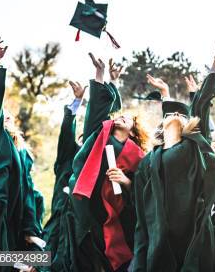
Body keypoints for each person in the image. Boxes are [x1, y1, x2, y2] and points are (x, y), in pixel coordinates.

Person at [132, 38, 215, 271]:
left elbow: (202, 104)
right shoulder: (148, 162)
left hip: (194, 239)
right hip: (161, 241)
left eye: (179, 115)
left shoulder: (194, 146)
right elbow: (141, 216)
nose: (174, 116)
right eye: (169, 115)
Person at [68, 54, 148, 272]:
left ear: (134, 130)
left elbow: (146, 191)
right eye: (120, 116)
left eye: (128, 118)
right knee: (84, 257)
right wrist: (100, 74)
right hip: (88, 205)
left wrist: (125, 181)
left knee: (113, 260)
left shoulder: (139, 156)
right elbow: (97, 108)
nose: (121, 117)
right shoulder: (101, 135)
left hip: (118, 216)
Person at [0, 37, 42, 257]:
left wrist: (30, 227)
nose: (6, 118)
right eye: (2, 116)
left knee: (4, 262)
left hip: (11, 213)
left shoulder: (21, 152)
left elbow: (29, 189)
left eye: (9, 118)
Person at [43, 81, 85, 271]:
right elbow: (67, 134)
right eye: (82, 140)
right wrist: (77, 101)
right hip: (56, 226)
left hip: (81, 233)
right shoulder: (67, 161)